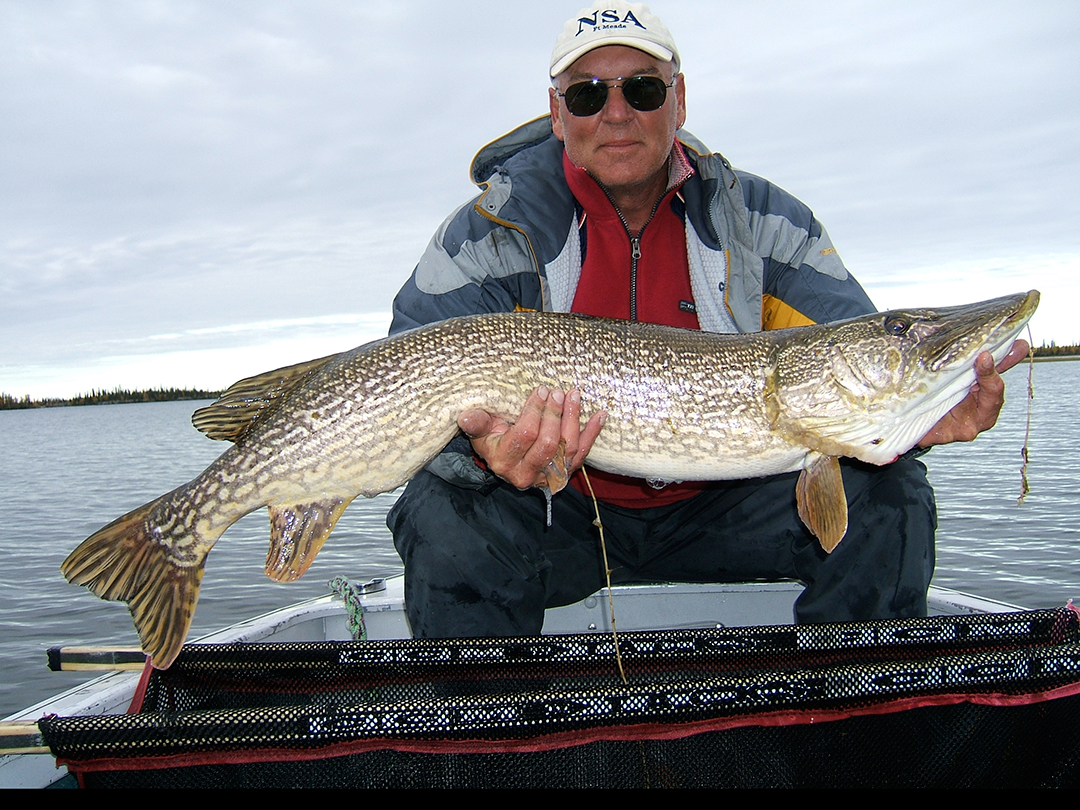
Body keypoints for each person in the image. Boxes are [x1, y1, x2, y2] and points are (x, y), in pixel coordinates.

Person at [386, 2, 1029, 638]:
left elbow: (846, 360)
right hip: (558, 510)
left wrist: (911, 419)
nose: (616, 113)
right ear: (557, 113)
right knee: (444, 511)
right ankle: (491, 739)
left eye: (642, 89)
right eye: (587, 95)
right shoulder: (487, 235)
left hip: (727, 506)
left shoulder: (768, 225)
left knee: (892, 497)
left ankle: (837, 731)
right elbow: (402, 392)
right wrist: (479, 457)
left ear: (679, 99)